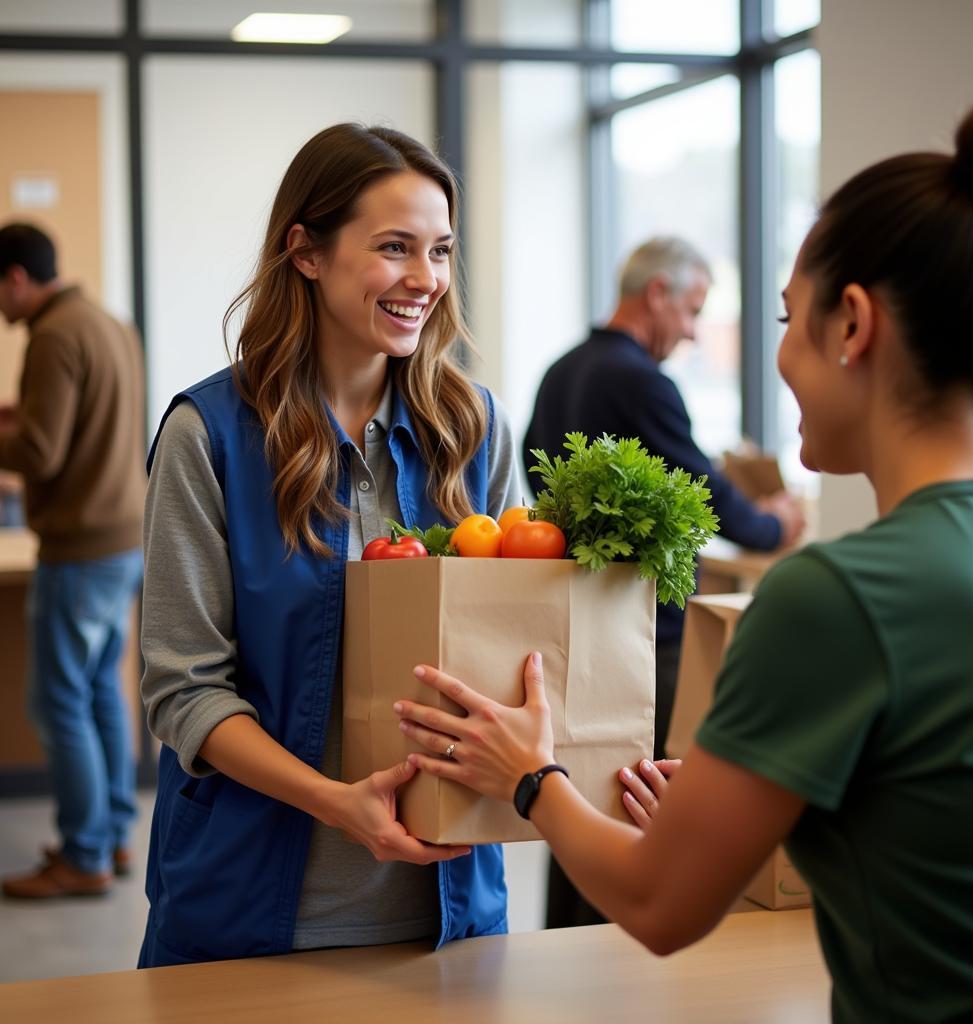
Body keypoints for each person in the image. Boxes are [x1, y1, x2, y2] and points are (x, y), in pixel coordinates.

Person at [393, 83, 973, 1022]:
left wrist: (531, 778)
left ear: (852, 324)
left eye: (783, 319)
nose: (775, 356)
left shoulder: (836, 598)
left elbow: (659, 904)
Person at [138, 124, 521, 966]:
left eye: (441, 251)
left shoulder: (474, 429)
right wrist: (336, 802)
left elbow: (517, 651)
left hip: (450, 912)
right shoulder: (210, 436)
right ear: (306, 252)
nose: (425, 279)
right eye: (394, 248)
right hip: (249, 914)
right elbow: (183, 689)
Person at [522, 236, 805, 928]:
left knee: (572, 790)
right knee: (632, 793)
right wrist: (773, 526)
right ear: (657, 294)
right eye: (692, 309)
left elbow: (538, 481)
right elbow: (702, 490)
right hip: (645, 633)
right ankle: (612, 959)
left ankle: (567, 948)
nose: (690, 330)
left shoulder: (562, 371)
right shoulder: (643, 381)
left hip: (573, 624)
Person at [0, 223, 146, 899]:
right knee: (97, 691)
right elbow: (79, 425)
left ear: (16, 280)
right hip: (122, 541)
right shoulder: (106, 323)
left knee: (59, 701)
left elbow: (40, 455)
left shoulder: (52, 336)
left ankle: (82, 855)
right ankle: (111, 836)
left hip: (80, 549)